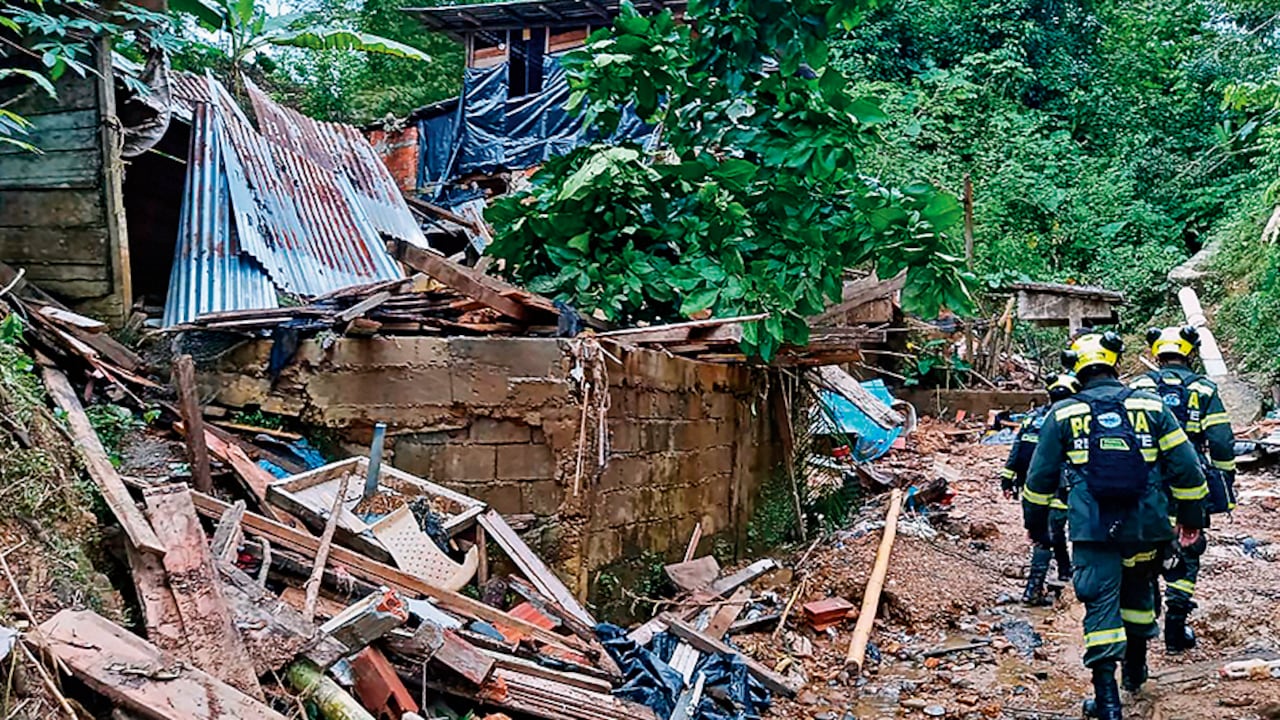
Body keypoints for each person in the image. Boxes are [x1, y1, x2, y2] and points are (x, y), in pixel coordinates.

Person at [1022, 331, 1208, 720]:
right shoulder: (1151, 406)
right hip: (1147, 526)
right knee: (1140, 593)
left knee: (1100, 603)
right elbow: (1187, 467)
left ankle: (1107, 703)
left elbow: (1039, 480)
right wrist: (1190, 518)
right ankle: (1135, 674)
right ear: (1115, 363)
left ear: (1076, 368)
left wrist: (1037, 528)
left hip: (1093, 529)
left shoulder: (1063, 413)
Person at [1130, 326, 1237, 652]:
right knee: (1189, 545)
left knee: (1144, 544)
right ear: (1190, 352)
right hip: (1190, 478)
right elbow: (1220, 439)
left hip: (1145, 480)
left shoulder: (1139, 386)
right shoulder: (1203, 388)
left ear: (1156, 352)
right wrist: (1225, 479)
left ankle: (1144, 618)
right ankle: (1176, 629)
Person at [1000, 373, 1080, 605]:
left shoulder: (1033, 418)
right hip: (1059, 488)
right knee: (1048, 534)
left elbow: (1017, 449)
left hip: (1031, 487)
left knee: (1047, 532)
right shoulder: (1072, 420)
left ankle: (1064, 571)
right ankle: (1033, 590)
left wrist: (1007, 479)